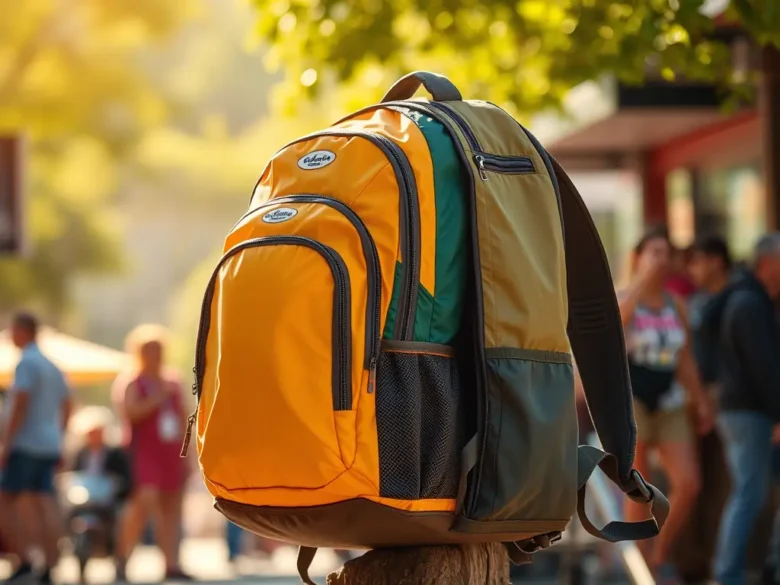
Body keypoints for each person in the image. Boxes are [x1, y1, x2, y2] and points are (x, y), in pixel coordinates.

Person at [617, 228, 714, 584]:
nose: (660, 259)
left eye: (665, 253)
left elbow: (685, 356)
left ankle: (658, 554)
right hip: (634, 399)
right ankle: (637, 566)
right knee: (637, 487)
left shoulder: (676, 304)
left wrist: (700, 400)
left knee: (689, 483)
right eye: (653, 252)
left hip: (670, 399)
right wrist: (642, 280)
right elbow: (616, 326)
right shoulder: (626, 296)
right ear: (638, 257)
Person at [696, 233, 780, 585]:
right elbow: (764, 367)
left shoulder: (748, 299)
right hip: (749, 413)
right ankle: (726, 574)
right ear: (766, 262)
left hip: (746, 411)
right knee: (748, 494)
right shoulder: (749, 303)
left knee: (752, 492)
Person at [670, 235, 734, 584]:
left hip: (724, 401)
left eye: (697, 260)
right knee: (692, 484)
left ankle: (711, 563)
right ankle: (689, 564)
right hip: (692, 402)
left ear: (716, 261)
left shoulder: (736, 300)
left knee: (717, 485)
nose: (691, 267)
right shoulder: (695, 301)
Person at [112, 325, 192, 582]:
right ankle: (123, 556)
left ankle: (171, 564)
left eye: (157, 349)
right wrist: (157, 398)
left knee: (171, 509)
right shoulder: (132, 382)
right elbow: (130, 413)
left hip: (171, 453)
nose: (154, 355)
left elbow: (184, 420)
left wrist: (187, 455)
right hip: (143, 451)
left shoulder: (173, 381)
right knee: (144, 503)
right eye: (148, 350)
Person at [0, 312, 73, 585]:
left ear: (23, 331)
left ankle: (25, 559)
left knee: (6, 501)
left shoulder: (27, 363)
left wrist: (6, 445)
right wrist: (59, 435)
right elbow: (67, 405)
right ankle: (50, 564)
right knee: (42, 502)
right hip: (48, 444)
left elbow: (20, 403)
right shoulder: (52, 366)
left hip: (26, 443)